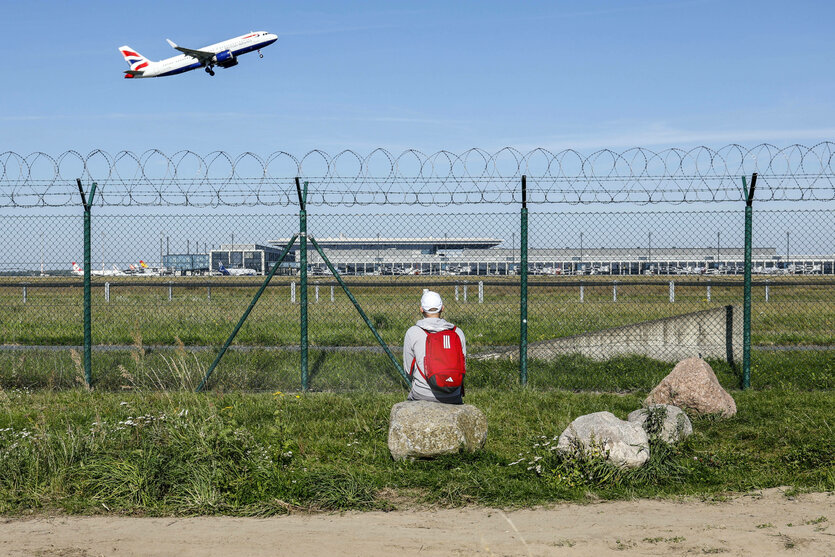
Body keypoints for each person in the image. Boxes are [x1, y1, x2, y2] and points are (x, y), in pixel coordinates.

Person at [403, 289, 467, 404]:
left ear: (421, 309)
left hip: (422, 393)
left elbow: (408, 370)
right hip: (453, 394)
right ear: (442, 308)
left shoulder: (413, 332)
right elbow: (463, 366)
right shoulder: (458, 332)